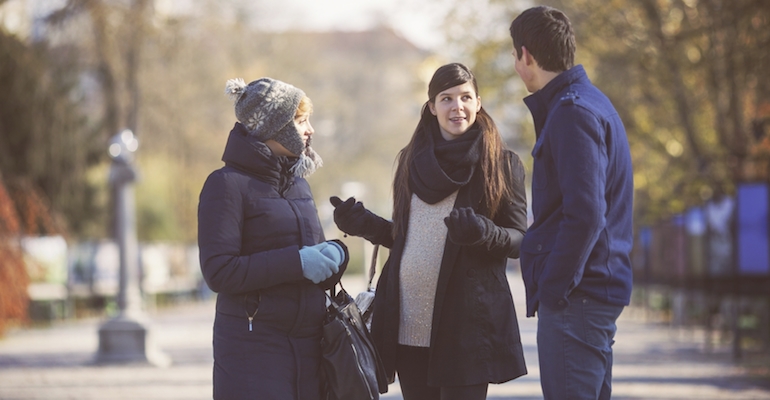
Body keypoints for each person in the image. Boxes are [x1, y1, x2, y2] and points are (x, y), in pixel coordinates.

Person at [329, 63, 528, 400]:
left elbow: (518, 240)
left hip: (464, 326)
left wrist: (482, 232)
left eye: (465, 97)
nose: (457, 107)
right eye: (446, 98)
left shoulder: (502, 163)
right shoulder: (411, 160)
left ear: (478, 102)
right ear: (432, 107)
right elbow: (409, 236)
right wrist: (365, 225)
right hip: (408, 323)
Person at [508, 6, 634, 400]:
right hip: (589, 293)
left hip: (578, 297)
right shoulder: (589, 103)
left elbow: (586, 214)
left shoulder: (572, 112)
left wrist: (554, 286)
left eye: (515, 56)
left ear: (526, 55)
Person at [197, 77, 348, 400]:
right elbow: (219, 271)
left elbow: (313, 260)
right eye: (301, 120)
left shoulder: (299, 185)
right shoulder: (225, 185)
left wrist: (336, 254)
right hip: (253, 349)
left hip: (310, 347)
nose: (310, 130)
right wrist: (298, 262)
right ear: (275, 127)